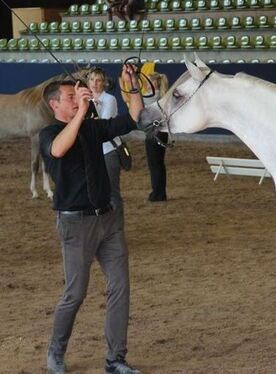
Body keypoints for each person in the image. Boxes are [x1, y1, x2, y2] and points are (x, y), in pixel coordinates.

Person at [40, 63, 144, 374]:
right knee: (76, 292)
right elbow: (59, 150)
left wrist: (132, 85)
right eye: (70, 97)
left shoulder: (91, 127)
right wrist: (83, 112)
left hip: (108, 219)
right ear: (54, 104)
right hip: (76, 223)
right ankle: (55, 353)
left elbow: (134, 117)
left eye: (78, 95)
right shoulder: (49, 133)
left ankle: (116, 359)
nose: (77, 99)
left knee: (120, 288)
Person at [87, 67, 124, 211]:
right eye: (91, 80)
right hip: (93, 151)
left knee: (112, 192)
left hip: (109, 150)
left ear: (104, 83)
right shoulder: (86, 100)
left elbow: (103, 124)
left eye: (98, 80)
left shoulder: (110, 99)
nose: (94, 83)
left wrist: (92, 109)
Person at [142, 72, 169, 202]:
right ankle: (160, 192)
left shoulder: (150, 96)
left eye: (148, 82)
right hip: (163, 133)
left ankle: (157, 193)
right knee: (159, 164)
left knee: (154, 164)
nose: (146, 84)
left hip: (153, 133)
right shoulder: (163, 96)